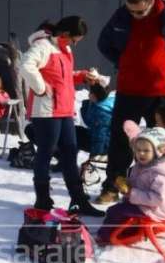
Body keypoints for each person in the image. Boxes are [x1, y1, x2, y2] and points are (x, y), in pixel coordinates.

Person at [96, 0, 165, 204]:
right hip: (129, 89)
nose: (136, 15)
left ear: (151, 2)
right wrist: (123, 62)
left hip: (160, 91)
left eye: (141, 11)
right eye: (132, 11)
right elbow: (104, 43)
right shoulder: (122, 16)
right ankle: (113, 185)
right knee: (121, 139)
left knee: (164, 142)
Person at [19, 17, 104, 216]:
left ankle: (78, 200)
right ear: (64, 34)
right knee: (46, 152)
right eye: (74, 39)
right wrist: (40, 88)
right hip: (47, 111)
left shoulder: (64, 49)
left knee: (70, 152)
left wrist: (82, 76)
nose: (75, 44)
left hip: (64, 109)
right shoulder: (43, 45)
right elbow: (25, 65)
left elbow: (61, 76)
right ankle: (42, 199)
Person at [96, 123, 165, 245]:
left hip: (158, 208)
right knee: (124, 207)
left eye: (146, 150)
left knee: (115, 211)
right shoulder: (143, 165)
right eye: (138, 150)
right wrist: (126, 183)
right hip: (147, 203)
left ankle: (105, 236)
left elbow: (157, 199)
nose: (141, 154)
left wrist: (131, 193)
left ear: (158, 151)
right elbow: (139, 182)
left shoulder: (160, 174)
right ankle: (128, 229)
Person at [79, 80, 115, 159]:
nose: (88, 94)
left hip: (103, 146)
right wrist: (87, 104)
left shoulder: (102, 113)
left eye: (90, 92)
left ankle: (65, 162)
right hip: (99, 139)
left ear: (94, 95)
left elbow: (100, 135)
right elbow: (89, 122)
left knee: (72, 136)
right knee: (72, 131)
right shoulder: (100, 105)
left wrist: (95, 155)